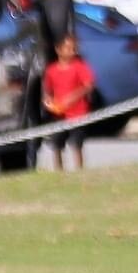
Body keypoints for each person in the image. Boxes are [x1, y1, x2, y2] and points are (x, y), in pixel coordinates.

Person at [41, 29, 96, 171]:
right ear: (58, 49)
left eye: (74, 49)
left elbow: (88, 86)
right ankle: (59, 171)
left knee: (76, 143)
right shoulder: (51, 70)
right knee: (57, 143)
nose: (72, 52)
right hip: (59, 113)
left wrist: (73, 97)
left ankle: (79, 169)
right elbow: (47, 88)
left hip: (78, 113)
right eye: (68, 48)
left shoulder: (80, 66)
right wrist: (48, 100)